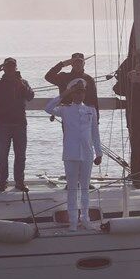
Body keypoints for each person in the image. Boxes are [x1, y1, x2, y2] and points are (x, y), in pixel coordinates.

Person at [45, 79, 103, 231]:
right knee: (72, 189)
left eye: (82, 91)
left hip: (87, 154)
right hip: (71, 153)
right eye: (76, 92)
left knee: (85, 189)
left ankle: (85, 219)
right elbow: (48, 108)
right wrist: (65, 93)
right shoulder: (65, 110)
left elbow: (95, 133)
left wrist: (99, 153)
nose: (79, 94)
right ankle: (73, 221)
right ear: (72, 93)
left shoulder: (91, 110)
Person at [0, 57, 35, 192]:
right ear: (4, 68)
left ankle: (19, 182)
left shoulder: (23, 82)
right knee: (2, 155)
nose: (10, 68)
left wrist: (21, 84)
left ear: (16, 67)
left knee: (20, 155)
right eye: (7, 66)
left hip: (20, 124)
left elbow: (30, 96)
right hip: (3, 124)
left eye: (12, 66)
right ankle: (3, 182)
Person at [45, 52, 99, 117]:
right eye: (75, 62)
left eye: (80, 62)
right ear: (71, 64)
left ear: (84, 63)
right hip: (67, 114)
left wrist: (96, 119)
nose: (78, 64)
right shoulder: (63, 77)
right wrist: (62, 64)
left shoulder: (89, 79)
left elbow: (94, 100)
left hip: (85, 115)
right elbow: (48, 76)